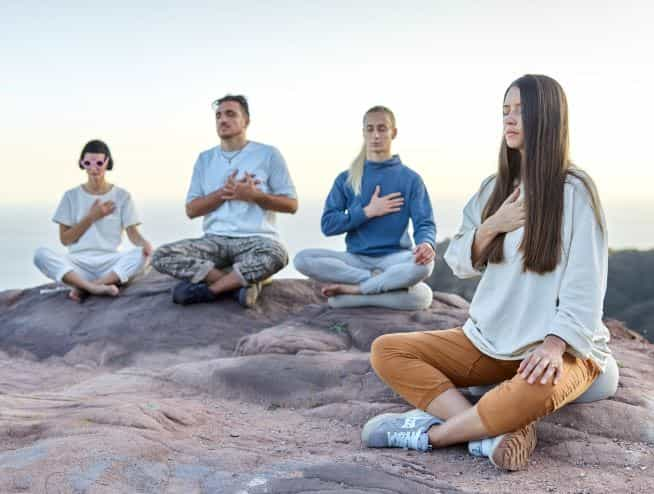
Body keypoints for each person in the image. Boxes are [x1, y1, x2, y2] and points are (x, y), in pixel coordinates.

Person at [362, 75, 617, 471]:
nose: (509, 120)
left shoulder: (575, 191)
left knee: (535, 386)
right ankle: (494, 430)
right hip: (488, 339)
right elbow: (460, 262)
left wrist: (552, 346)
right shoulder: (492, 189)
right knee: (387, 350)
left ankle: (432, 435)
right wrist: (493, 224)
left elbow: (586, 286)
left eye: (520, 110)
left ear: (547, 117)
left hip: (560, 346)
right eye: (505, 111)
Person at [151, 94, 297, 307]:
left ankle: (211, 289)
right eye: (218, 116)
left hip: (256, 240)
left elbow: (291, 205)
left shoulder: (268, 154)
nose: (223, 120)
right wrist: (223, 193)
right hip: (214, 241)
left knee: (278, 255)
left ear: (245, 121)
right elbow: (191, 210)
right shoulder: (205, 159)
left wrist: (255, 196)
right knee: (161, 256)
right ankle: (240, 284)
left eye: (230, 114)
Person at [293, 106, 436, 309]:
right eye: (370, 129)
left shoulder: (410, 179)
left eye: (382, 128)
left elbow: (424, 223)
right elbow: (328, 225)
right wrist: (367, 212)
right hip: (355, 260)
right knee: (302, 259)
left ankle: (354, 292)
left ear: (393, 132)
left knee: (425, 268)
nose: (375, 135)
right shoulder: (346, 179)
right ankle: (379, 283)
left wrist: (426, 244)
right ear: (363, 133)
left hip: (395, 258)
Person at [34, 139, 152, 302]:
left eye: (98, 163)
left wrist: (144, 244)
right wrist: (92, 217)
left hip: (110, 262)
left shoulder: (122, 196)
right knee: (40, 254)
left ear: (107, 162)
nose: (93, 168)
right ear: (82, 163)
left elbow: (133, 233)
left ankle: (87, 286)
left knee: (142, 255)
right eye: (87, 163)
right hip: (78, 263)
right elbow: (65, 239)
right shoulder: (71, 196)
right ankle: (93, 288)